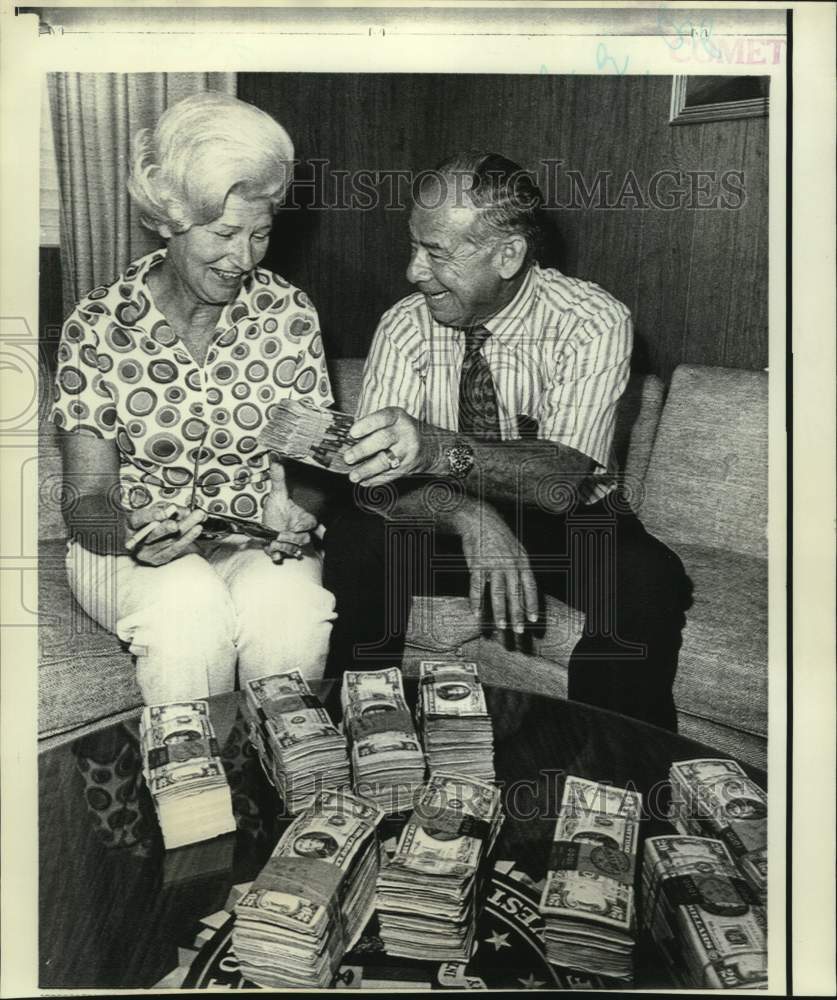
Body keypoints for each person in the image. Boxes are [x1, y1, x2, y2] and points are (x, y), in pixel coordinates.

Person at [323, 151, 691, 731]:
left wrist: (436, 449)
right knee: (357, 539)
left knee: (649, 578)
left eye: (437, 253)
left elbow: (562, 479)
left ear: (508, 255)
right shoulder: (403, 324)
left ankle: (607, 771)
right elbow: (373, 482)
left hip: (570, 522)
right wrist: (471, 517)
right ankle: (359, 736)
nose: (413, 271)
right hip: (445, 512)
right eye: (415, 246)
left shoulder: (592, 320)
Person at [51, 92, 336, 704]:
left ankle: (290, 789)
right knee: (188, 610)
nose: (244, 258)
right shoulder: (97, 325)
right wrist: (130, 526)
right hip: (122, 548)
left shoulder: (288, 314)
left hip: (251, 538)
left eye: (260, 234)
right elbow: (85, 502)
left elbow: (310, 464)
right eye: (225, 233)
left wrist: (300, 508)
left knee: (293, 616)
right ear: (168, 217)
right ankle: (196, 800)